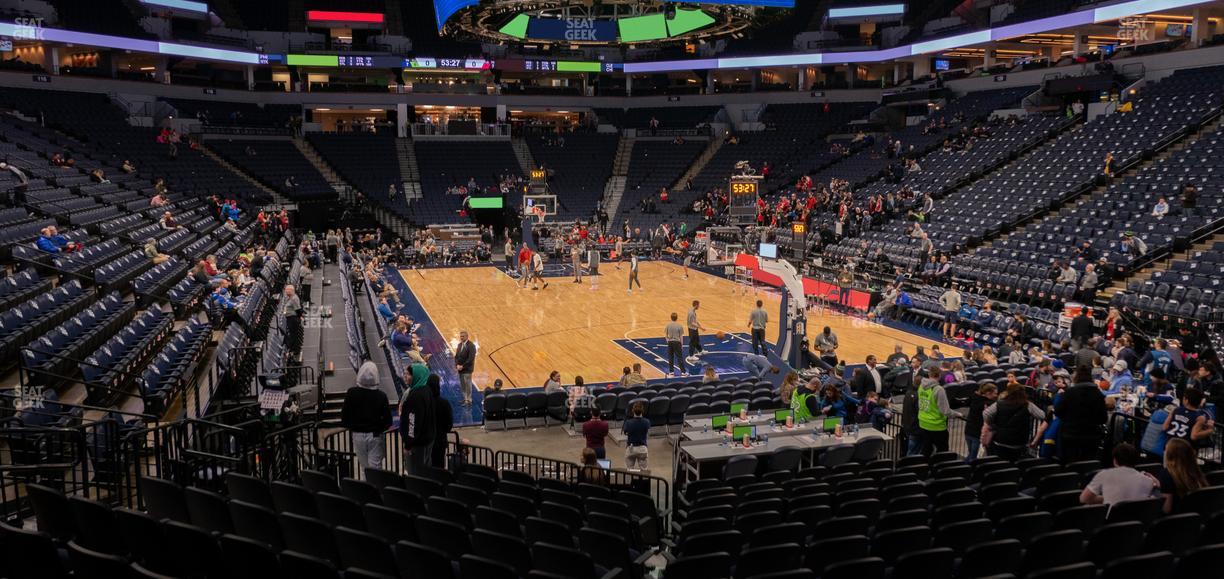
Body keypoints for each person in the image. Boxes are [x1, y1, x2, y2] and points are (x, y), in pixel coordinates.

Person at [342, 361, 392, 470]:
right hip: (375, 435)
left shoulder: (351, 393)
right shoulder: (381, 396)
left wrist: (354, 427)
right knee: (375, 469)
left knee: (365, 468)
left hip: (357, 435)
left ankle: (368, 486)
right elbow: (388, 421)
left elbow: (345, 417)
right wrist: (378, 429)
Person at [982, 383, 1047, 462]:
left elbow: (986, 413)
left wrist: (992, 424)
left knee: (1001, 464)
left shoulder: (999, 403)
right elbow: (1042, 415)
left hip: (1001, 440)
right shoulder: (1028, 405)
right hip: (1019, 441)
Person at [1056, 366, 1108, 463]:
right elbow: (1103, 418)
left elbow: (1058, 411)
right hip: (1091, 436)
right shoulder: (1098, 394)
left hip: (1071, 435)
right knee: (1087, 465)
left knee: (1070, 465)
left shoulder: (1070, 392)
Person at [1080, 443, 1158, 506]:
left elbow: (1084, 499)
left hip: (1110, 522)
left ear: (1115, 461)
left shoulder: (1104, 475)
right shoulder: (1148, 481)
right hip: (1136, 523)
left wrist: (1107, 498)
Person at [399, 362, 436, 474]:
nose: (405, 376)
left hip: (417, 444)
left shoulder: (415, 396)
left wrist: (408, 444)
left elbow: (412, 424)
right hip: (428, 440)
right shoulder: (427, 390)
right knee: (425, 471)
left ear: (417, 376)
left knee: (415, 473)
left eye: (409, 374)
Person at [1156, 438, 1208, 514]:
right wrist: (1160, 485)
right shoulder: (1196, 472)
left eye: (1166, 450)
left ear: (1170, 455)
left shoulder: (1166, 474)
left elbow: (1166, 509)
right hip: (1194, 518)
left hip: (1174, 520)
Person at [918, 367, 960, 455]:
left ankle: (925, 467)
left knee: (926, 450)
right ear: (939, 376)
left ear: (929, 374)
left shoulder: (921, 386)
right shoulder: (938, 389)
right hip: (936, 425)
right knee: (943, 451)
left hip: (923, 422)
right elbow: (946, 411)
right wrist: (958, 414)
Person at [965, 383, 997, 462]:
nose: (996, 395)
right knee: (973, 457)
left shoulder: (974, 398)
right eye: (995, 393)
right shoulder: (987, 403)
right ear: (988, 393)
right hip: (976, 433)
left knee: (971, 454)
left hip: (968, 430)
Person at [429, 374, 453, 469]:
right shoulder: (444, 403)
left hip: (426, 441)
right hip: (440, 440)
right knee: (439, 467)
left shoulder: (424, 401)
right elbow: (449, 425)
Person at [623, 402, 650, 472]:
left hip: (631, 448)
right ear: (642, 411)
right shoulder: (647, 422)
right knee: (644, 471)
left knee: (629, 470)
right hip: (642, 448)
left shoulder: (628, 422)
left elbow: (625, 432)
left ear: (633, 410)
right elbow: (646, 431)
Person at [454, 330, 476, 407]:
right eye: (460, 336)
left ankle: (469, 400)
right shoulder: (460, 345)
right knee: (463, 384)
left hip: (467, 369)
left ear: (467, 336)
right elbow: (456, 356)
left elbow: (471, 359)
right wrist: (457, 365)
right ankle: (465, 398)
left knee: (468, 385)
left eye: (463, 336)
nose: (461, 338)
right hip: (460, 369)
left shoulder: (471, 346)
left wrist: (462, 366)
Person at [282, 285, 303, 358]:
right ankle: (294, 349)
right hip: (290, 318)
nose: (285, 291)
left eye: (287, 290)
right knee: (293, 334)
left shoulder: (294, 298)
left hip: (293, 319)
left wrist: (300, 317)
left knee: (294, 335)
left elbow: (298, 309)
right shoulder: (290, 297)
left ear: (291, 290)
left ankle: (296, 351)